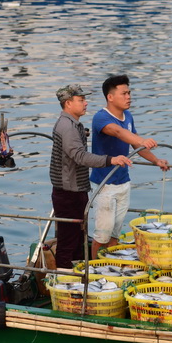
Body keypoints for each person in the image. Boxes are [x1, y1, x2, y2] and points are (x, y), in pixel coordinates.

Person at [50, 85, 132, 269]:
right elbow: (80, 156)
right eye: (81, 100)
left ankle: (79, 276)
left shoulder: (73, 124)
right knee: (68, 240)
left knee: (78, 237)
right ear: (68, 103)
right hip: (67, 192)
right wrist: (111, 159)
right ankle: (65, 279)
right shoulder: (67, 126)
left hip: (76, 189)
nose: (85, 103)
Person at [90, 74, 170, 257]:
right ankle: (93, 269)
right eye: (124, 93)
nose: (129, 97)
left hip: (123, 182)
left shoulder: (128, 115)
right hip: (104, 184)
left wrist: (156, 160)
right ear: (110, 97)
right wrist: (143, 140)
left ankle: (110, 266)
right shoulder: (101, 118)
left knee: (115, 233)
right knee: (102, 234)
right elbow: (118, 132)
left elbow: (135, 146)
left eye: (129, 93)